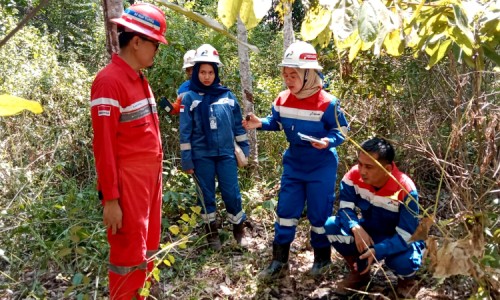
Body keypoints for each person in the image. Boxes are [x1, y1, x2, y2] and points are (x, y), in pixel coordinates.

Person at [243, 41, 349, 278]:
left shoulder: (328, 103)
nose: (288, 80)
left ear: (308, 74)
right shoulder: (282, 99)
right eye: (285, 75)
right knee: (286, 211)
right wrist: (260, 123)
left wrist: (327, 142)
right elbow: (277, 122)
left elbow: (342, 131)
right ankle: (279, 261)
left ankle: (322, 260)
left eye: (294, 75)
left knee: (319, 214)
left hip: (321, 164)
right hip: (294, 163)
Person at [90, 3, 167, 299]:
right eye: (154, 45)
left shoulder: (138, 79)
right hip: (127, 185)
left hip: (149, 183)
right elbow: (104, 146)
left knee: (146, 250)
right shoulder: (109, 82)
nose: (156, 52)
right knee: (127, 257)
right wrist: (111, 199)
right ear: (136, 42)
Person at [324, 137, 425, 297]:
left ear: (387, 169)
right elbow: (344, 208)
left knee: (403, 261)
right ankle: (360, 273)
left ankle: (407, 280)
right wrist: (355, 227)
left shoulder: (405, 189)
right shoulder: (353, 176)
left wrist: (379, 250)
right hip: (369, 230)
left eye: (369, 167)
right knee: (332, 226)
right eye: (360, 164)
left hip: (397, 237)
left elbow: (407, 234)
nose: (362, 171)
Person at [179, 44, 249, 250]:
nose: (207, 77)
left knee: (232, 193)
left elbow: (238, 125)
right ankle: (212, 234)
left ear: (216, 73)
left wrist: (244, 148)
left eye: (210, 72)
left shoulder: (227, 96)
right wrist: (187, 159)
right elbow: (185, 132)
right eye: (202, 72)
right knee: (206, 195)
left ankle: (238, 230)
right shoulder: (189, 98)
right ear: (196, 72)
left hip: (226, 154)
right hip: (201, 156)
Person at [159, 49, 196, 114]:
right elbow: (177, 108)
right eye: (188, 70)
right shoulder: (184, 88)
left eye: (193, 68)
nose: (190, 73)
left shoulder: (210, 86)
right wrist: (168, 107)